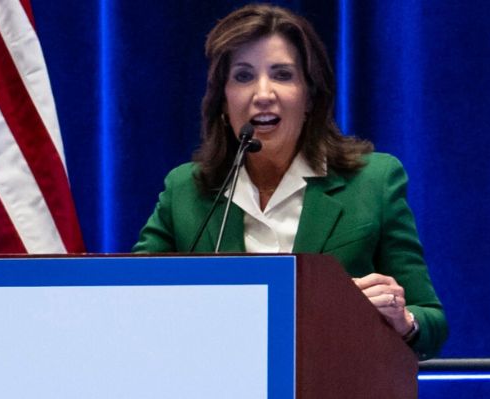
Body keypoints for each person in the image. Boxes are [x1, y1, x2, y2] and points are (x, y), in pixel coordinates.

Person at [133, 4, 447, 359]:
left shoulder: (373, 181)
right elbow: (134, 298)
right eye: (243, 76)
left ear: (310, 96)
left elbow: (432, 321)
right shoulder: (185, 190)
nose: (262, 94)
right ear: (222, 100)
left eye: (282, 75)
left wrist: (402, 319)